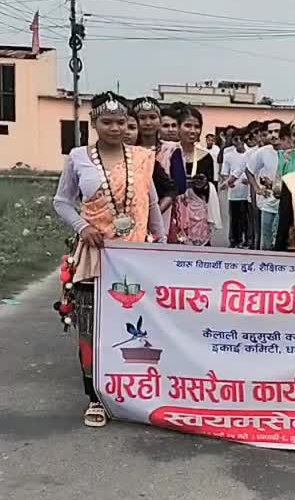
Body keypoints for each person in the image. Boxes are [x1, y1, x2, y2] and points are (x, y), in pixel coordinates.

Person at [53, 92, 165, 428]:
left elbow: (152, 204)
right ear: (94, 123)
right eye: (107, 122)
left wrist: (162, 245)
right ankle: (96, 397)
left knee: (138, 327)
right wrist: (83, 226)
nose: (115, 128)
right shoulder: (78, 158)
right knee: (91, 327)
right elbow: (62, 202)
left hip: (137, 256)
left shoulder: (143, 157)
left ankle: (135, 392)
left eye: (120, 122)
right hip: (96, 253)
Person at [157, 106, 221, 244]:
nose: (193, 131)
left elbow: (211, 189)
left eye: (197, 127)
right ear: (178, 127)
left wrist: (204, 185)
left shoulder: (206, 157)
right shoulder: (167, 153)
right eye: (188, 125)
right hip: (170, 211)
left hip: (197, 216)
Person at [246, 119, 283, 250]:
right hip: (268, 203)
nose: (273, 135)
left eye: (277, 131)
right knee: (265, 242)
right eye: (270, 132)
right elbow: (249, 170)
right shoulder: (263, 152)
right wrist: (257, 188)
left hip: (286, 203)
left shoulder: (291, 152)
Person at [220, 131, 250, 248]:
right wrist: (228, 182)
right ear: (232, 141)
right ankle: (234, 240)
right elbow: (224, 173)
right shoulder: (228, 155)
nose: (239, 142)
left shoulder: (250, 153)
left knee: (246, 218)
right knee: (235, 218)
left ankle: (247, 240)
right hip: (234, 192)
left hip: (248, 192)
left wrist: (250, 181)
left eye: (240, 139)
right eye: (236, 139)